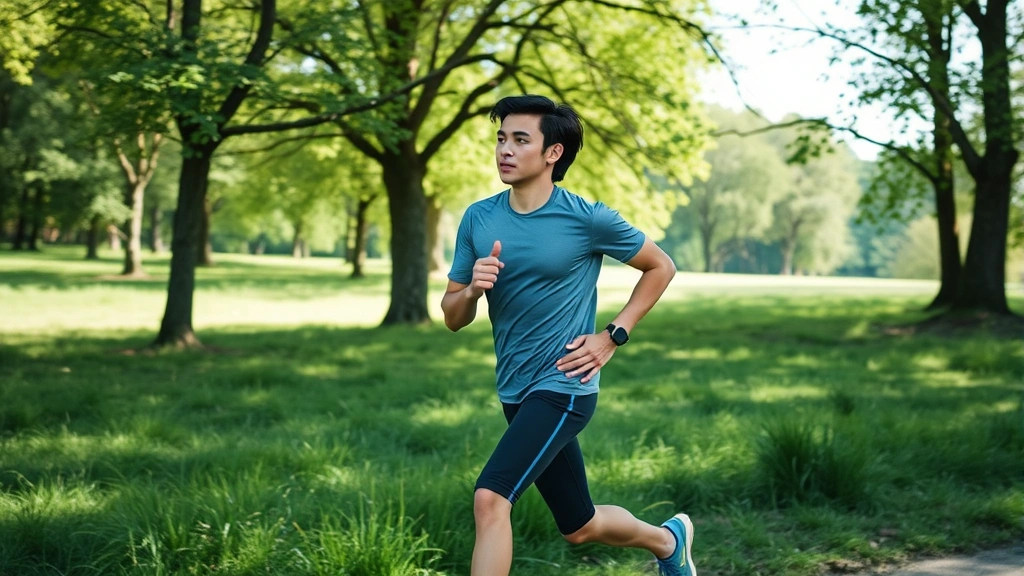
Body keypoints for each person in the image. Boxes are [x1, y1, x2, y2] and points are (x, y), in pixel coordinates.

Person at [441, 94, 694, 576]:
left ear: (552, 153)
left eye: (520, 140)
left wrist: (612, 335)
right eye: (501, 139)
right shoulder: (479, 218)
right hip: (514, 388)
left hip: (565, 385)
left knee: (491, 499)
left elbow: (661, 266)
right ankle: (669, 541)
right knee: (579, 525)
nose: (505, 150)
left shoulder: (585, 218)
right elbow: (453, 316)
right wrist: (473, 288)